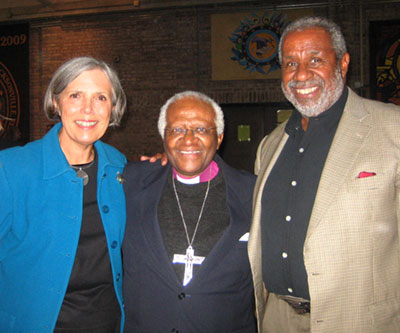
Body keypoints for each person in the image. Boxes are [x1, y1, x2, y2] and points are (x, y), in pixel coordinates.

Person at [248, 16, 400, 332]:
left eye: (315, 59)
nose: (301, 74)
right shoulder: (271, 144)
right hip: (277, 318)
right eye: (290, 63)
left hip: (358, 320)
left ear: (342, 64)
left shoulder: (392, 129)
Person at [0, 56, 127, 332]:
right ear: (56, 102)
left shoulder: (118, 165)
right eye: (75, 95)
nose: (88, 109)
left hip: (108, 323)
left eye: (101, 98)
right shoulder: (10, 169)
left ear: (113, 108)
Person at [122, 91, 257, 332]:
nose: (188, 139)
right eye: (177, 130)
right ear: (164, 138)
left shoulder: (253, 193)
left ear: (219, 138)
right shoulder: (132, 182)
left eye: (202, 130)